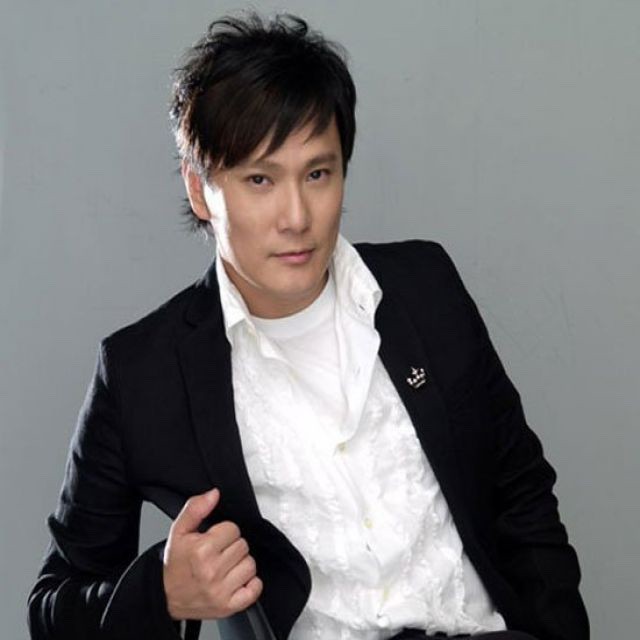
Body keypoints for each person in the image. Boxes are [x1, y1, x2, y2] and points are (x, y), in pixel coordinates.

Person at [28, 12, 589, 640]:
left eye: (318, 174)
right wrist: (161, 593)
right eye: (260, 179)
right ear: (199, 188)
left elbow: (521, 493)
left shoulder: (425, 287)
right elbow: (53, 604)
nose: (297, 216)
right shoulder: (143, 373)